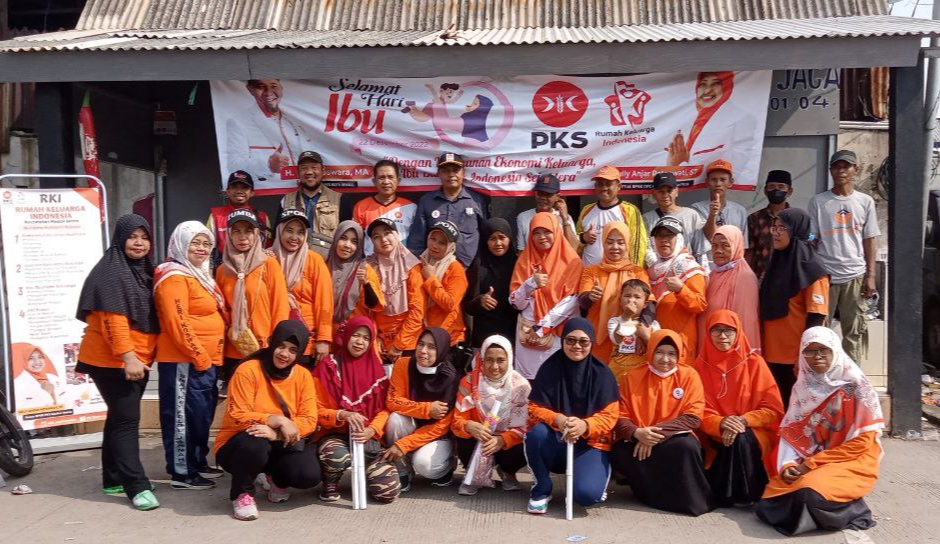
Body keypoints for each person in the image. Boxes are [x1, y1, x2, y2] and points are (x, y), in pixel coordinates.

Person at [755, 327, 885, 536]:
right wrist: (788, 464)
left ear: (835, 351)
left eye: (823, 350)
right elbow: (793, 433)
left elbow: (862, 443)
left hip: (852, 459)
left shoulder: (858, 387)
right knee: (772, 495)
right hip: (811, 460)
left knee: (809, 494)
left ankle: (854, 509)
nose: (817, 356)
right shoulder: (802, 387)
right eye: (810, 351)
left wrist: (810, 464)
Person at [74, 214, 160, 510]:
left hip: (136, 359)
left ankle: (113, 478)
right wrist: (128, 357)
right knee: (126, 421)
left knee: (118, 417)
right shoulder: (111, 272)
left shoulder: (142, 270)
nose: (139, 243)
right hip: (113, 362)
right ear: (120, 239)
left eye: (144, 237)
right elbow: (114, 321)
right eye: (132, 236)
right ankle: (136, 486)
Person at [213, 321, 321, 521]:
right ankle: (242, 494)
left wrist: (276, 433)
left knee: (308, 474)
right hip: (240, 444)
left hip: (280, 441)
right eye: (281, 346)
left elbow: (309, 420)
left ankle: (276, 479)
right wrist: (274, 419)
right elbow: (238, 414)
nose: (284, 354)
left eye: (293, 350)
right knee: (256, 442)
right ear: (272, 342)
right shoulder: (248, 370)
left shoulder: (303, 376)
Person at [153, 221, 227, 490]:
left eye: (207, 243)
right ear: (181, 244)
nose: (202, 248)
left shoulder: (198, 275)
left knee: (200, 415)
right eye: (195, 242)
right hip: (183, 361)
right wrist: (199, 356)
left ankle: (197, 461)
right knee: (181, 417)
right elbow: (178, 323)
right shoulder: (174, 277)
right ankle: (182, 473)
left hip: (203, 361)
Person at [610, 330, 713, 516]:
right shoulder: (633, 376)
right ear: (650, 351)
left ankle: (686, 499)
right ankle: (647, 494)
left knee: (687, 447)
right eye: (659, 352)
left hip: (672, 438)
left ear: (679, 355)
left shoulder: (689, 375)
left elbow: (693, 417)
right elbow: (619, 417)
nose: (665, 359)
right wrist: (638, 433)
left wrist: (653, 434)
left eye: (672, 354)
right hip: (639, 437)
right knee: (619, 452)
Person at [524, 318, 619, 514]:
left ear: (591, 343)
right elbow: (534, 407)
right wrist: (557, 419)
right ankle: (542, 488)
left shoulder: (603, 374)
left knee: (586, 495)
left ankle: (588, 480)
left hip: (590, 443)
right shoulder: (549, 368)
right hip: (556, 440)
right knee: (536, 434)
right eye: (570, 340)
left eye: (583, 341)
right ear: (562, 341)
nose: (577, 346)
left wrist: (586, 425)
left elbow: (610, 415)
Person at [695, 310, 784, 507]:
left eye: (729, 330)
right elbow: (696, 410)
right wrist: (721, 422)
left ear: (738, 332)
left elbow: (773, 410)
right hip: (715, 434)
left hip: (753, 431)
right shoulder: (699, 366)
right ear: (707, 333)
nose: (722, 336)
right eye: (716, 330)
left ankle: (746, 494)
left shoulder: (754, 363)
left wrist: (743, 421)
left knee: (741, 437)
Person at [312, 316, 400, 503]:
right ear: (347, 335)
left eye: (366, 338)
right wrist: (341, 414)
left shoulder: (377, 371)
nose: (360, 341)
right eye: (356, 335)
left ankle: (368, 474)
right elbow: (315, 409)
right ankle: (330, 480)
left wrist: (372, 430)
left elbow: (385, 409)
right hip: (336, 435)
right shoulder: (328, 366)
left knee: (387, 492)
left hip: (369, 438)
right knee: (336, 456)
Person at [808, 150, 881, 364]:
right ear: (830, 170)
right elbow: (812, 237)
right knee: (821, 331)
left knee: (854, 332)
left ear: (855, 170)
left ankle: (852, 378)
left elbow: (869, 239)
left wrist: (870, 276)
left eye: (846, 166)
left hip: (855, 275)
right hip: (825, 277)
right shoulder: (819, 202)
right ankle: (823, 375)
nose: (841, 171)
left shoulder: (865, 201)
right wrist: (810, 270)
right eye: (837, 166)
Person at [760, 208, 829, 405]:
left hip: (796, 360)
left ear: (796, 230)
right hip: (771, 355)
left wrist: (806, 355)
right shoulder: (776, 264)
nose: (776, 233)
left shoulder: (813, 270)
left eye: (782, 228)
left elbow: (816, 317)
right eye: (774, 227)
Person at [215, 209, 291, 381]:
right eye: (237, 231)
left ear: (256, 234)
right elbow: (221, 309)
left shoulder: (268, 264)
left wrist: (276, 342)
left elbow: (279, 306)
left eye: (248, 231)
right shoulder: (222, 270)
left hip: (264, 346)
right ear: (229, 235)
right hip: (234, 347)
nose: (243, 237)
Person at [382, 328, 461, 490]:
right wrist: (426, 409)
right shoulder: (403, 364)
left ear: (442, 350)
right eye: (421, 344)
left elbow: (441, 426)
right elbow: (392, 401)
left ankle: (446, 467)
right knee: (395, 419)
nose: (423, 351)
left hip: (436, 436)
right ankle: (402, 470)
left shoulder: (451, 378)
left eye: (431, 347)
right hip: (411, 425)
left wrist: (404, 444)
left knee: (424, 464)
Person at [452, 335, 530, 496]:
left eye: (501, 360)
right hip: (479, 438)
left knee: (527, 443)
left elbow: (526, 426)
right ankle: (473, 473)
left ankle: (508, 472)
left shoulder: (521, 386)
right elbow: (457, 421)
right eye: (489, 360)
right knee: (463, 438)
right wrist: (469, 425)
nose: (494, 366)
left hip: (506, 441)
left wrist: (503, 440)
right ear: (481, 359)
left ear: (510, 359)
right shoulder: (469, 381)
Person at [510, 212, 583, 379]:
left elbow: (571, 301)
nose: (541, 237)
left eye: (547, 231)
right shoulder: (524, 261)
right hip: (528, 336)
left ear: (556, 231)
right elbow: (515, 303)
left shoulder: (572, 261)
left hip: (558, 332)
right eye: (536, 232)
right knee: (528, 384)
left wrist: (542, 328)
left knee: (557, 380)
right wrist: (530, 284)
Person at [579, 221, 650, 365]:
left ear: (627, 244)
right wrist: (590, 297)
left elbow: (650, 305)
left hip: (630, 339)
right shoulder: (591, 271)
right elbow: (582, 302)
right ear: (603, 244)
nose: (615, 247)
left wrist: (642, 334)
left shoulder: (638, 272)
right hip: (597, 339)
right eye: (610, 242)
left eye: (620, 242)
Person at [271, 209, 334, 363]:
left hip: (307, 342)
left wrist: (324, 338)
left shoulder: (314, 260)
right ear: (279, 230)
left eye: (300, 232)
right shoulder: (267, 259)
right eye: (289, 230)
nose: (294, 237)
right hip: (275, 340)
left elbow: (325, 303)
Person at [408, 152, 488, 267]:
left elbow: (485, 235)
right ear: (438, 174)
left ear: (463, 172)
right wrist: (418, 266)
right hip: (434, 268)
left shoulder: (476, 201)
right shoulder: (427, 201)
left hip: (469, 268)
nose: (451, 175)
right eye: (445, 171)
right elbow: (417, 240)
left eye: (455, 170)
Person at [646, 217, 707, 365]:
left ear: (679, 239)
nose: (664, 240)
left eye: (669, 235)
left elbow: (700, 304)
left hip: (681, 347)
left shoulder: (689, 267)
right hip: (656, 343)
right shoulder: (651, 270)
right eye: (659, 236)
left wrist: (681, 290)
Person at [224, 79, 311, 183]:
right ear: (250, 89)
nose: (268, 92)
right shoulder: (239, 122)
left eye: (274, 86)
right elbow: (234, 166)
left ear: (281, 87)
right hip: (273, 189)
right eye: (260, 87)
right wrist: (268, 164)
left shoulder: (296, 119)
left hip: (304, 187)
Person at [367, 217, 426, 365]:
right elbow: (367, 310)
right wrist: (375, 338)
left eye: (387, 233)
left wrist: (399, 344)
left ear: (397, 235)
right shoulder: (369, 267)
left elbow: (417, 311)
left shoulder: (412, 266)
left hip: (408, 343)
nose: (383, 239)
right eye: (376, 236)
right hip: (379, 345)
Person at [697, 225, 761, 354]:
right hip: (711, 343)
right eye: (714, 246)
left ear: (736, 246)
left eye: (725, 245)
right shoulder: (714, 274)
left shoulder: (744, 277)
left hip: (729, 349)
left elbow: (746, 322)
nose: (718, 251)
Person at [576, 165, 647, 267]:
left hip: (617, 273)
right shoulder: (586, 210)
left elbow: (637, 245)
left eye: (608, 184)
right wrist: (583, 238)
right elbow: (575, 242)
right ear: (595, 186)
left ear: (619, 186)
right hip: (588, 273)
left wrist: (634, 271)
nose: (604, 188)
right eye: (600, 184)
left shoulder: (630, 211)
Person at [463, 218, 519, 347]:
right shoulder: (478, 266)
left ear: (509, 239)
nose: (498, 243)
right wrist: (480, 301)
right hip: (484, 335)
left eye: (502, 238)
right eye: (492, 239)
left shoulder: (518, 265)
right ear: (485, 241)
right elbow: (467, 306)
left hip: (512, 334)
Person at [277, 150, 342, 258]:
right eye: (304, 168)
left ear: (323, 171)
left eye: (314, 167)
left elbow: (346, 238)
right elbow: (277, 236)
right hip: (293, 260)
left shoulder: (339, 200)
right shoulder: (286, 200)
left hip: (327, 262)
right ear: (298, 173)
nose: (309, 172)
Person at [642, 172, 708, 266]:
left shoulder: (691, 215)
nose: (665, 195)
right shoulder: (647, 219)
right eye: (661, 191)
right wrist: (661, 268)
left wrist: (702, 270)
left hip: (687, 269)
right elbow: (647, 250)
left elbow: (700, 250)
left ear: (676, 191)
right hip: (658, 270)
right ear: (654, 193)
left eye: (669, 191)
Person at [352, 159, 417, 255]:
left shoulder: (411, 208)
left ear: (398, 180)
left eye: (390, 177)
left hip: (404, 261)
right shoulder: (361, 207)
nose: (386, 182)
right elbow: (355, 239)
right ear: (374, 181)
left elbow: (417, 241)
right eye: (381, 177)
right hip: (372, 262)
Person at [206, 171, 272, 264]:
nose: (239, 191)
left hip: (256, 266)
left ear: (252, 192)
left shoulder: (262, 217)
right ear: (227, 192)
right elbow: (207, 247)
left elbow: (268, 247)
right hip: (225, 266)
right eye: (234, 187)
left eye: (244, 187)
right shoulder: (215, 215)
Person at [327, 220, 385, 325]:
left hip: (354, 330)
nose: (347, 245)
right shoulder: (323, 265)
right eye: (343, 238)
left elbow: (374, 305)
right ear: (336, 238)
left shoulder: (364, 269)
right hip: (324, 327)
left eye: (354, 241)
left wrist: (366, 283)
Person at [418, 221, 467, 345]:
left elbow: (449, 304)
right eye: (433, 239)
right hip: (424, 334)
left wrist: (431, 279)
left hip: (448, 337)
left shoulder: (456, 269)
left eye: (442, 243)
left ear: (451, 246)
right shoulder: (421, 263)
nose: (435, 245)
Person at [606, 279, 660, 383]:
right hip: (617, 377)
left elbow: (657, 350)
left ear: (645, 304)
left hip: (642, 379)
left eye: (637, 297)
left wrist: (645, 337)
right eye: (627, 296)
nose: (631, 300)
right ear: (620, 300)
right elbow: (616, 340)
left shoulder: (653, 325)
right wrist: (626, 317)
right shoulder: (615, 321)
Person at [691, 160, 749, 250]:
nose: (718, 184)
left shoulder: (739, 211)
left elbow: (743, 246)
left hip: (732, 258)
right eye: (714, 180)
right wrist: (712, 214)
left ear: (730, 182)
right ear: (707, 182)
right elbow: (710, 236)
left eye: (723, 180)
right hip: (706, 258)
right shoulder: (696, 209)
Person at [745, 169, 792, 280]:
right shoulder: (754, 218)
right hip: (760, 279)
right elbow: (750, 251)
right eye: (772, 186)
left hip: (788, 280)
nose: (776, 190)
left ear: (789, 191)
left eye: (781, 187)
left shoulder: (795, 218)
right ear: (765, 191)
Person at [516, 174, 578, 251]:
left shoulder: (564, 218)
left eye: (548, 194)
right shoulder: (523, 217)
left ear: (557, 197)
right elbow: (521, 250)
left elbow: (574, 249)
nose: (543, 198)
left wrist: (565, 219)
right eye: (540, 193)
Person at [11, 343, 65, 408]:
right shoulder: (18, 383)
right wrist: (46, 393)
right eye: (31, 358)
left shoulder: (53, 378)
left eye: (40, 357)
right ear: (25, 361)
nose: (37, 362)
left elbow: (66, 399)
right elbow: (19, 410)